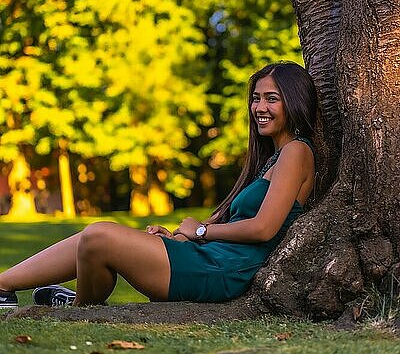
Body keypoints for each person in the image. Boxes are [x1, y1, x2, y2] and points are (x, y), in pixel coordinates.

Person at [0, 61, 317, 310]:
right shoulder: (273, 157)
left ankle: (80, 307)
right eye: (256, 98)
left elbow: (263, 228)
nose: (259, 107)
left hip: (223, 271)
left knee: (99, 234)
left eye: (271, 99)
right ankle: (4, 286)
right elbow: (231, 222)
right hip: (209, 257)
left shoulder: (296, 152)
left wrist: (202, 232)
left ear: (294, 102)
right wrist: (179, 235)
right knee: (91, 240)